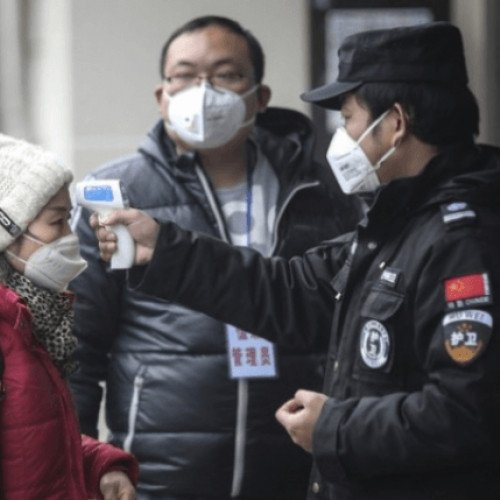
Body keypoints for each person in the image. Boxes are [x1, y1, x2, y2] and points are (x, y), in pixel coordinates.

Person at [91, 22, 500, 500]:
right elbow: (294, 291)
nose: (342, 138)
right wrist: (165, 250)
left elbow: (468, 412)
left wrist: (335, 429)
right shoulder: (396, 224)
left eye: (348, 118)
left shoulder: (462, 240)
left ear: (394, 123)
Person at [69, 15, 361, 500]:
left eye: (226, 75)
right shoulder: (114, 196)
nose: (203, 92)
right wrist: (81, 460)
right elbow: (79, 350)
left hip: (300, 467)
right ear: (162, 96)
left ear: (260, 97)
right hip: (158, 474)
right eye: (184, 76)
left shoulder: (322, 190)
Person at [0, 134, 138, 499]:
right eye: (57, 222)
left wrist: (99, 467)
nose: (70, 236)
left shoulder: (27, 320)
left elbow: (31, 440)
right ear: (7, 231)